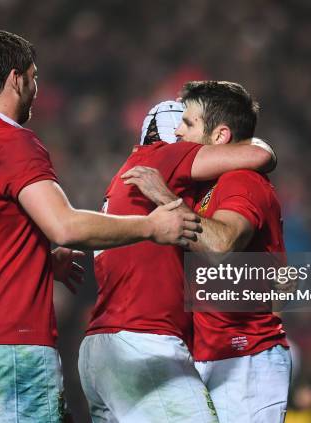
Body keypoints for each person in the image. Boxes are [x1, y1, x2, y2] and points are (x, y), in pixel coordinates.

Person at [0, 30, 202, 423]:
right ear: (15, 79)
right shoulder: (10, 142)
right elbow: (65, 225)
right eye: (34, 76)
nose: (36, 89)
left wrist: (34, 260)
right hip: (14, 342)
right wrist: (151, 226)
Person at [78, 96, 277, 422]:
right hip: (144, 342)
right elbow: (259, 155)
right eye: (186, 126)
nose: (187, 134)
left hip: (101, 351)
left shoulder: (119, 183)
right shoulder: (166, 155)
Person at [123, 81, 291, 423]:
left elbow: (221, 245)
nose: (178, 131)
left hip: (245, 358)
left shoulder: (242, 180)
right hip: (215, 355)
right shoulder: (209, 185)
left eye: (188, 123)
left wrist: (166, 198)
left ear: (220, 135)